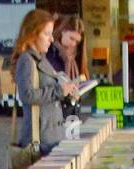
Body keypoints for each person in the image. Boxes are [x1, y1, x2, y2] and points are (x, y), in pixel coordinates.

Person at [12, 9, 79, 157]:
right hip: (40, 139)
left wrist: (68, 93)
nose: (51, 39)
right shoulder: (27, 60)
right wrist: (60, 91)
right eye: (47, 34)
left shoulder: (41, 58)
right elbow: (27, 95)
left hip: (52, 135)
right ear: (33, 34)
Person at [48, 15, 87, 84]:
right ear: (63, 31)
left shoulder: (75, 56)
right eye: (71, 38)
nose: (73, 44)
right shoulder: (49, 52)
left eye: (77, 42)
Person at [123, 21, 134, 95]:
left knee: (130, 70)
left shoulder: (126, 37)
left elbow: (123, 46)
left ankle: (130, 84)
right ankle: (133, 84)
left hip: (129, 55)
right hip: (133, 55)